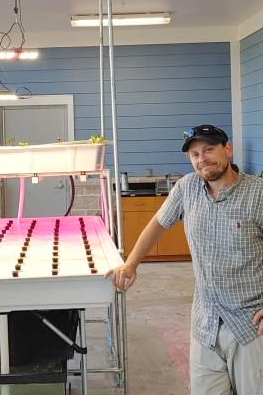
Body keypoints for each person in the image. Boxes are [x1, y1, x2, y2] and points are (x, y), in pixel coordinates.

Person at [106, 124, 263, 395]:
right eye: (195, 154)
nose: (202, 159)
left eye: (209, 150)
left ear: (228, 149)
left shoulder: (258, 193)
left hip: (250, 325)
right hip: (205, 322)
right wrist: (131, 263)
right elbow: (157, 224)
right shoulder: (187, 188)